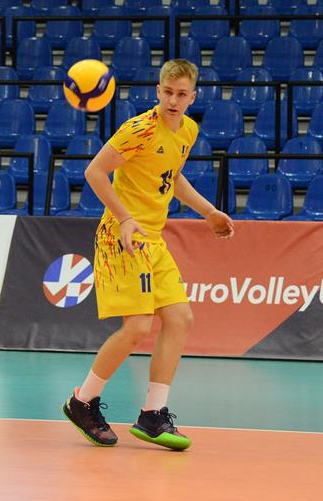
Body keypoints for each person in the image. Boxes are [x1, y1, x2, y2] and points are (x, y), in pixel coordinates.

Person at [61, 59, 234, 451]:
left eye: (181, 94)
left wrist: (208, 212)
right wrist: (124, 218)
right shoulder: (139, 129)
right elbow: (94, 172)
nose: (173, 100)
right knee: (138, 328)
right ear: (158, 91)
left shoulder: (188, 130)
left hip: (152, 239)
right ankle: (82, 401)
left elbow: (171, 178)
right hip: (121, 237)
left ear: (192, 97)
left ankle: (153, 414)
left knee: (180, 318)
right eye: (167, 92)